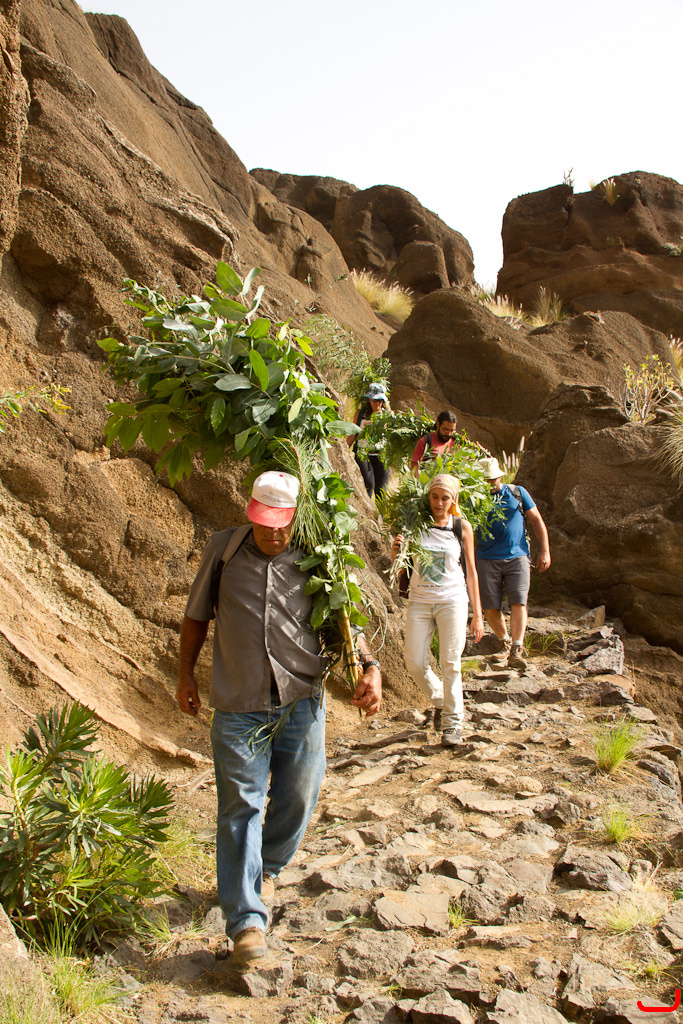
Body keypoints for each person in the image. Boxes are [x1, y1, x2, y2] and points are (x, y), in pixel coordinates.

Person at [176, 471, 382, 962]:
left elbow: (346, 620)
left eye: (281, 523)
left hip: (301, 701)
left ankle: (266, 867)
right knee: (240, 806)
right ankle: (246, 920)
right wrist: (185, 675)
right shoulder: (224, 550)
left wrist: (370, 667)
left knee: (300, 794)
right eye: (264, 521)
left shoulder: (320, 555)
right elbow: (196, 616)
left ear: (296, 516)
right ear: (250, 512)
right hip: (238, 703)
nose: (273, 532)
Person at [391, 474, 484, 747]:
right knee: (414, 662)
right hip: (420, 601)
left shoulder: (461, 527)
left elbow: (471, 572)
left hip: (452, 601)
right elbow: (399, 569)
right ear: (428, 496)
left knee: (450, 663)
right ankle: (442, 700)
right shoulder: (414, 525)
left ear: (454, 500)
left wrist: (477, 615)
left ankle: (453, 724)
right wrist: (395, 551)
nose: (439, 503)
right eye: (435, 496)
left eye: (445, 498)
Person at [475, 457, 551, 670]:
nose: (491, 483)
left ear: (500, 476)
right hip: (486, 558)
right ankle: (504, 642)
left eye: (493, 479)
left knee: (519, 602)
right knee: (490, 607)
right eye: (486, 480)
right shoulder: (473, 498)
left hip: (518, 556)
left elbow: (536, 520)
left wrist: (545, 551)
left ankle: (517, 648)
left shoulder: (517, 492)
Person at [347, 383, 390, 498]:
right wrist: (344, 450)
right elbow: (353, 434)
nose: (377, 404)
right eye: (374, 400)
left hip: (381, 455)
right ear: (369, 400)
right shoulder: (360, 415)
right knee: (368, 485)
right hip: (363, 454)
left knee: (382, 490)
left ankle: (380, 510)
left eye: (380, 401)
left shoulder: (387, 415)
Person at [410, 410, 458, 476]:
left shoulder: (455, 444)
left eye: (452, 430)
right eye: (445, 429)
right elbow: (414, 468)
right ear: (438, 424)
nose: (449, 433)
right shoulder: (425, 441)